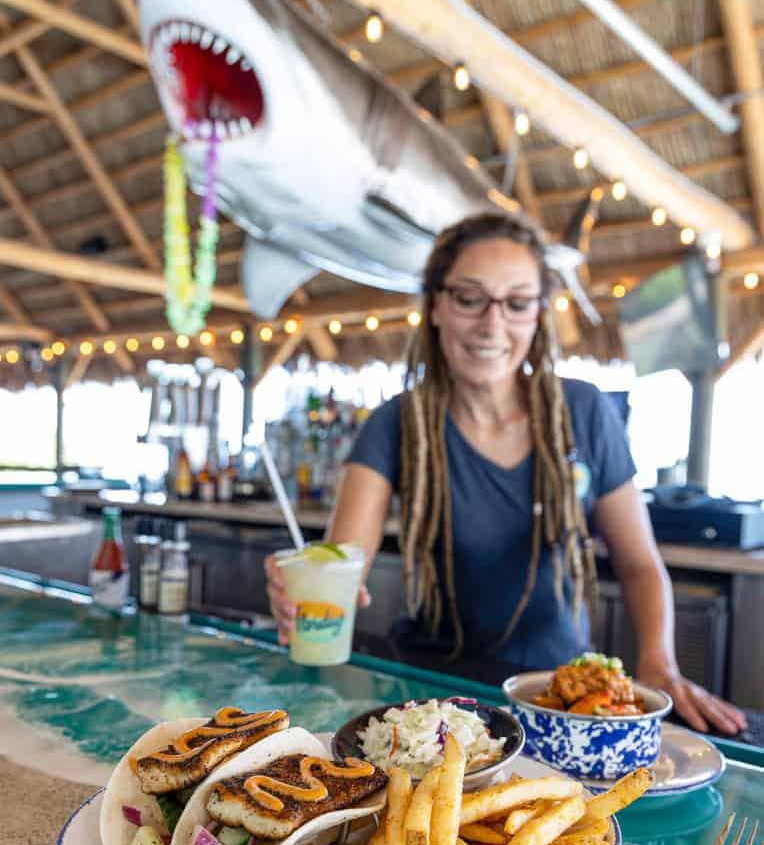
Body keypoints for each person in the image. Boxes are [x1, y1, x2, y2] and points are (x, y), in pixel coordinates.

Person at [266, 212, 746, 737]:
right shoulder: (396, 423)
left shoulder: (584, 411)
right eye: (469, 298)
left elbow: (639, 564)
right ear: (435, 305)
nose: (492, 325)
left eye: (517, 303)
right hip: (429, 700)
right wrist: (302, 587)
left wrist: (659, 664)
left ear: (539, 313)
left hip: (556, 698)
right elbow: (341, 563)